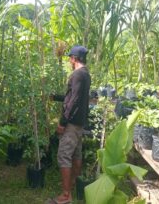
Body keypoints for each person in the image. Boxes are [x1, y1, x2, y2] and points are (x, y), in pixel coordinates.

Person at [51, 45, 91, 204]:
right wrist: (56, 97)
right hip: (79, 122)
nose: (69, 60)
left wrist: (62, 122)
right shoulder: (86, 74)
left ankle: (66, 195)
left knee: (64, 155)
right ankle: (72, 184)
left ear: (74, 59)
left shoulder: (77, 75)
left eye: (70, 58)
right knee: (76, 154)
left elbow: (73, 102)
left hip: (72, 123)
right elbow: (74, 97)